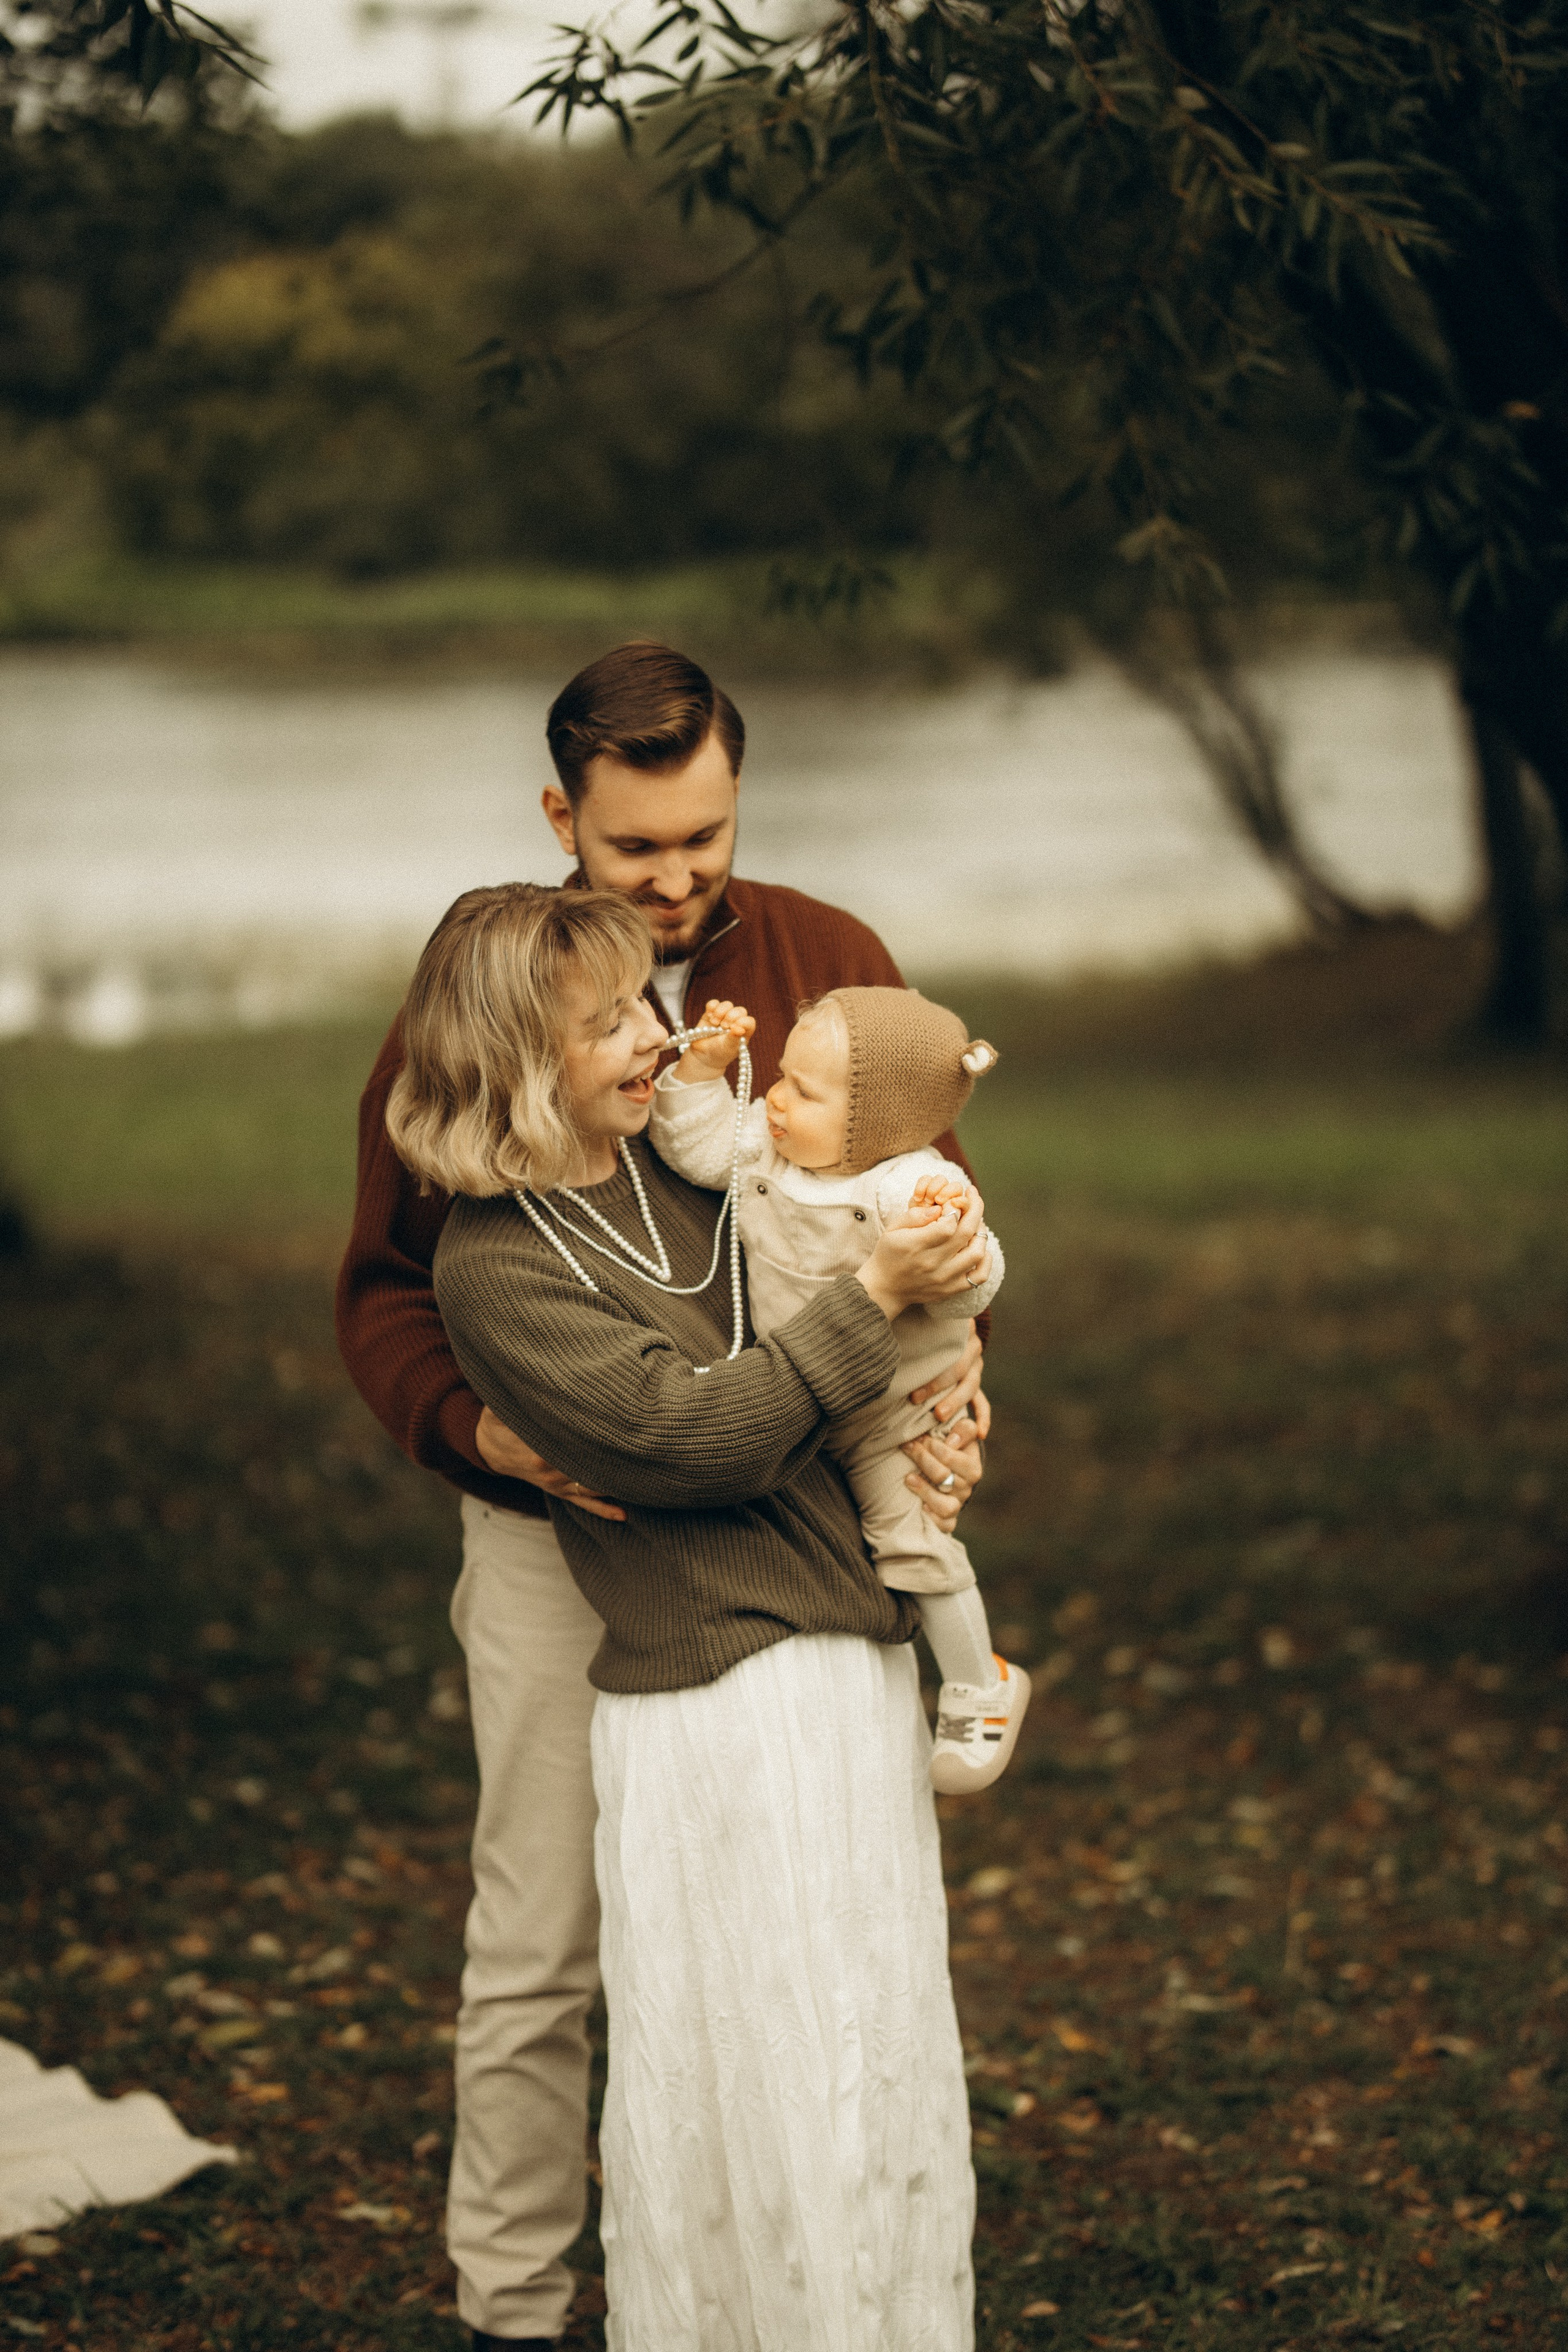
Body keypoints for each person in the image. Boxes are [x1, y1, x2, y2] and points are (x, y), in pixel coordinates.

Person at [334, 640, 989, 2346]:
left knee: (788, 1919)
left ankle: (807, 2242)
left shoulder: (829, 955)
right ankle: (512, 2296)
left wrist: (949, 1396)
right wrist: (485, 1437)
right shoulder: (485, 1001)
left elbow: (915, 1208)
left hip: (789, 1500)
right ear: (564, 818)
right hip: (561, 1523)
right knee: (544, 1926)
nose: (678, 877)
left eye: (706, 835)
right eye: (637, 847)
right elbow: (386, 1288)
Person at [652, 987, 1031, 1792]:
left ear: (875, 1123)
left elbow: (974, 1288)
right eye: (779, 1077)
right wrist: (702, 1070)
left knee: (913, 1542)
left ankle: (979, 1683)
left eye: (804, 1091)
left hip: (901, 1413)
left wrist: (954, 1235)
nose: (776, 1099)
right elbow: (694, 1147)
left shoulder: (909, 1184)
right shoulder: (769, 1149)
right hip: (804, 1393)